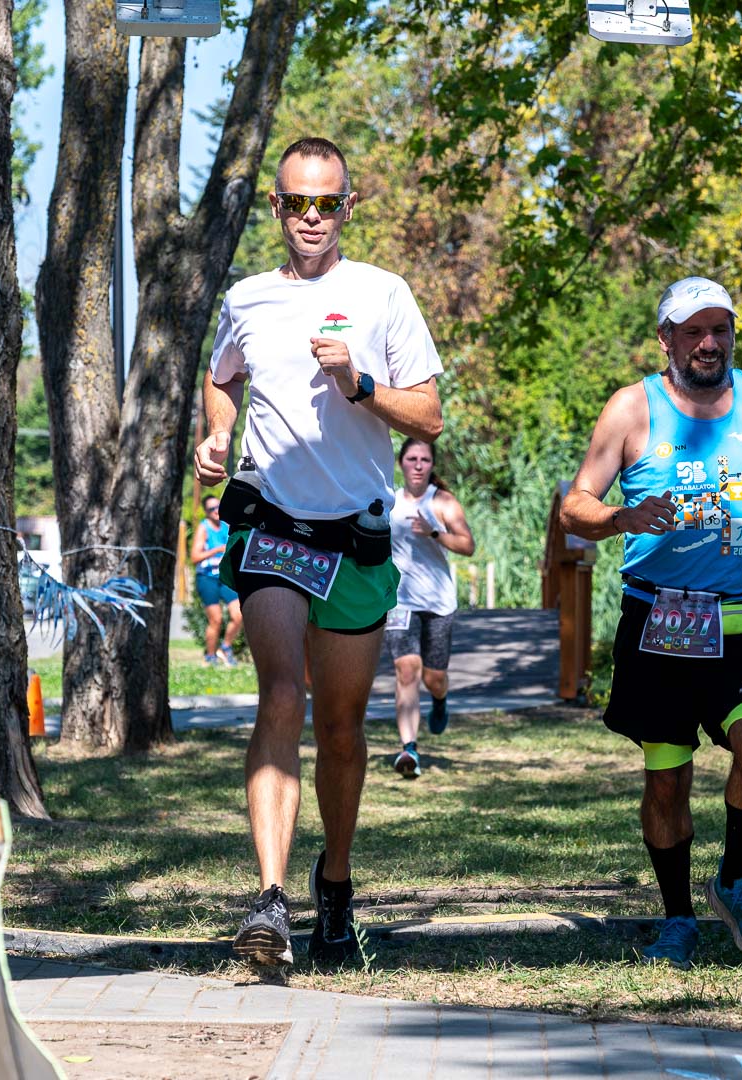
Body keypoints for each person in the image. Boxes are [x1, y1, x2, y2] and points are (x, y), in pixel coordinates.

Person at [195, 136, 443, 970]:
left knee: (339, 729)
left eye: (326, 203)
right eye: (296, 202)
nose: (311, 217)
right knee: (279, 695)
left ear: (348, 206)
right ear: (275, 207)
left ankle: (333, 882)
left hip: (353, 535)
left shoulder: (382, 294)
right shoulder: (248, 298)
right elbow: (221, 378)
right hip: (270, 523)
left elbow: (428, 416)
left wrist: (359, 384)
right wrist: (220, 434)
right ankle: (269, 900)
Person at [560, 276, 742, 970]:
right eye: (693, 331)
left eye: (719, 329)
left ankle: (734, 880)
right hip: (659, 614)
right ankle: (677, 919)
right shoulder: (631, 408)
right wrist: (621, 517)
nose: (708, 343)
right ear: (666, 339)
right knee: (666, 776)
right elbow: (576, 504)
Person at [385, 438, 475, 777]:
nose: (418, 465)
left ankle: (439, 700)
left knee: (434, 678)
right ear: (401, 463)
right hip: (400, 601)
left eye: (424, 459)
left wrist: (434, 533)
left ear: (432, 464)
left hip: (438, 602)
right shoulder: (389, 501)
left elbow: (468, 545)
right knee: (406, 670)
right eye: (412, 458)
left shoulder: (443, 502)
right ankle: (409, 749)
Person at [191, 494, 243, 666]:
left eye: (218, 507)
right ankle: (210, 657)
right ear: (206, 512)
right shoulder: (204, 528)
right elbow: (195, 557)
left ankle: (225, 648)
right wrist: (217, 550)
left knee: (239, 614)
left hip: (224, 577)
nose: (216, 511)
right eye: (211, 509)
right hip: (207, 578)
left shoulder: (227, 526)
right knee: (216, 620)